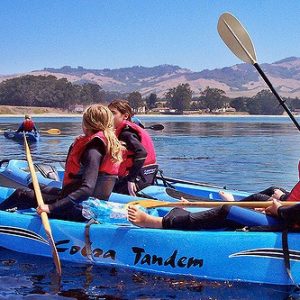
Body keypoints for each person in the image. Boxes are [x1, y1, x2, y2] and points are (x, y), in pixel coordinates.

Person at [0, 104, 124, 222]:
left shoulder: (93, 150)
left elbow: (87, 190)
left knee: (21, 194)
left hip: (83, 210)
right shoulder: (104, 144)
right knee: (37, 186)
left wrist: (51, 208)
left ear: (86, 123)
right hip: (90, 206)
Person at [127, 198, 300, 231]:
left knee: (228, 210)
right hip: (291, 217)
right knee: (259, 199)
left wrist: (279, 210)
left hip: (291, 223)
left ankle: (159, 223)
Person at [108, 99, 158, 196]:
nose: (109, 116)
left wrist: (131, 179)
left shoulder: (126, 133)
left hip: (136, 181)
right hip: (147, 177)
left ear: (125, 116)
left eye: (113, 113)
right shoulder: (130, 130)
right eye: (108, 113)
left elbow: (142, 152)